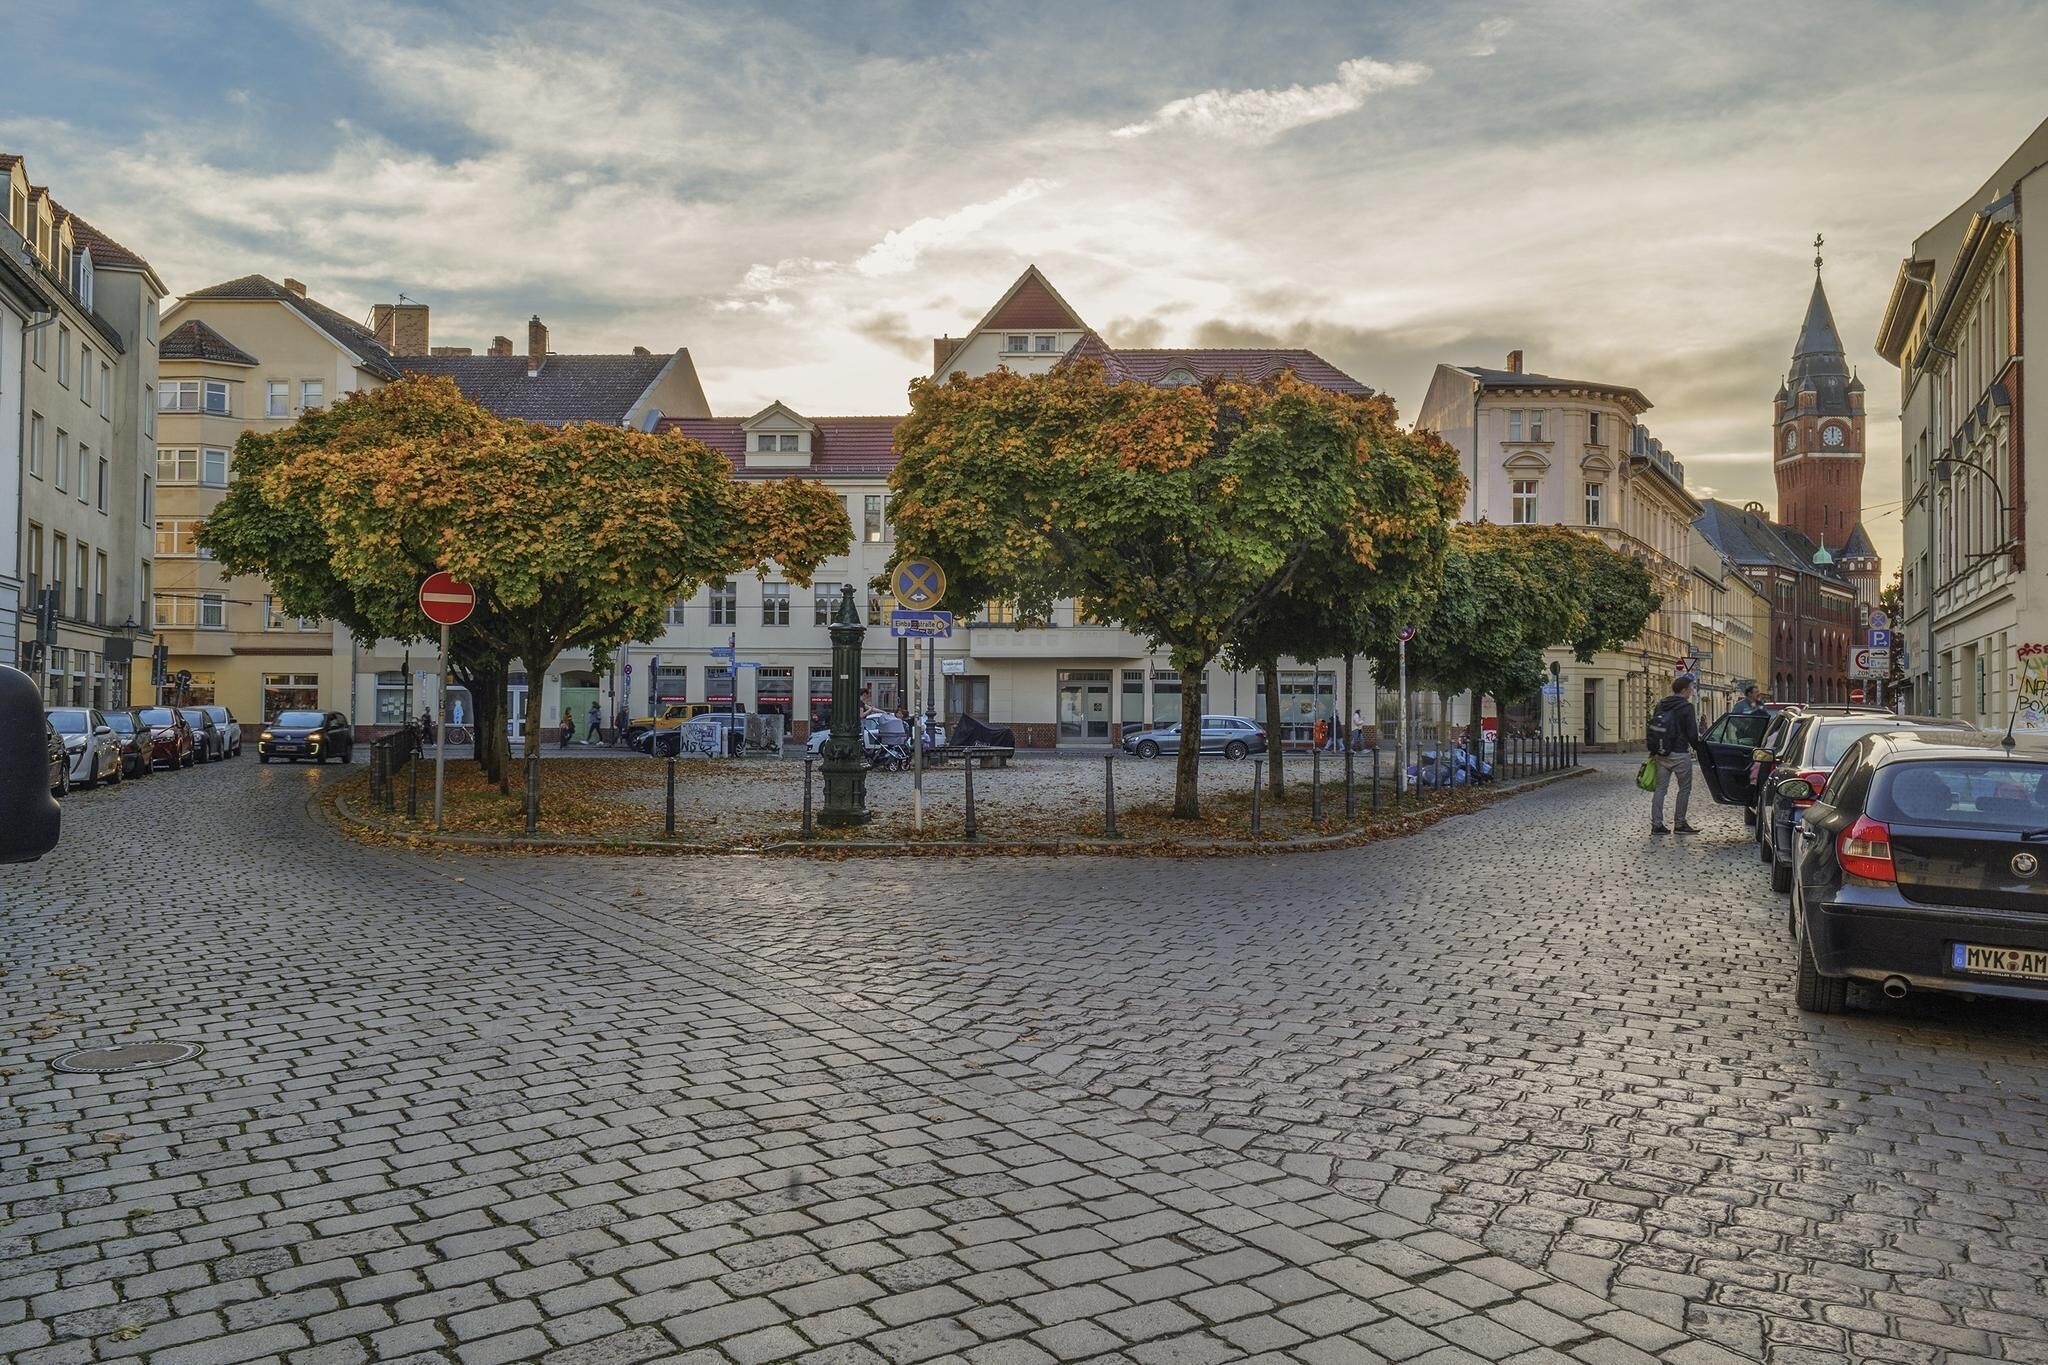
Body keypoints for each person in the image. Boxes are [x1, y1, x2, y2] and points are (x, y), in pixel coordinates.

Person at [1647, 675, 1701, 834]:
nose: (1691, 691)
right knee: (1684, 788)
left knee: (1660, 789)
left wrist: (1653, 750)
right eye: (1690, 688)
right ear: (1684, 690)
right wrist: (1699, 748)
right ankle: (1680, 823)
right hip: (1680, 753)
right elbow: (1692, 733)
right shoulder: (1687, 707)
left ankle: (1657, 824)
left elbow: (1655, 728)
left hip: (1661, 753)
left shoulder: (1661, 704)